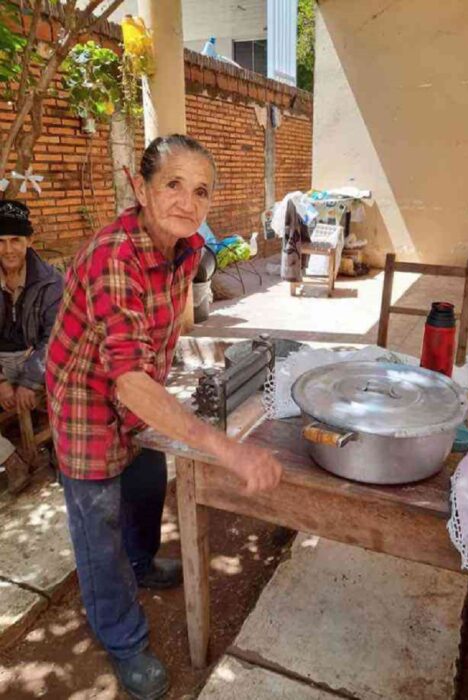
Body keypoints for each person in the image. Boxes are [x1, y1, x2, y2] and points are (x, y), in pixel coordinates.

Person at [46, 134, 282, 700]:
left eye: (200, 190)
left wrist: (172, 378)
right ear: (140, 187)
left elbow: (158, 337)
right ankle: (122, 638)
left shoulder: (187, 248)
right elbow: (125, 381)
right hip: (85, 400)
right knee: (97, 523)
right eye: (172, 184)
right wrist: (227, 448)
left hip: (134, 386)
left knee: (148, 479)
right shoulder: (113, 258)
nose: (187, 201)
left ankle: (142, 562)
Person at [0, 200, 63, 494]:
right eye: (0, 241)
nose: (8, 249)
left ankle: (60, 450)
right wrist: (1, 380)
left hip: (35, 358)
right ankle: (10, 459)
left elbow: (53, 338)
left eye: (15, 240)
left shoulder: (51, 282)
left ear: (29, 240)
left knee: (77, 378)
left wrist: (28, 381)